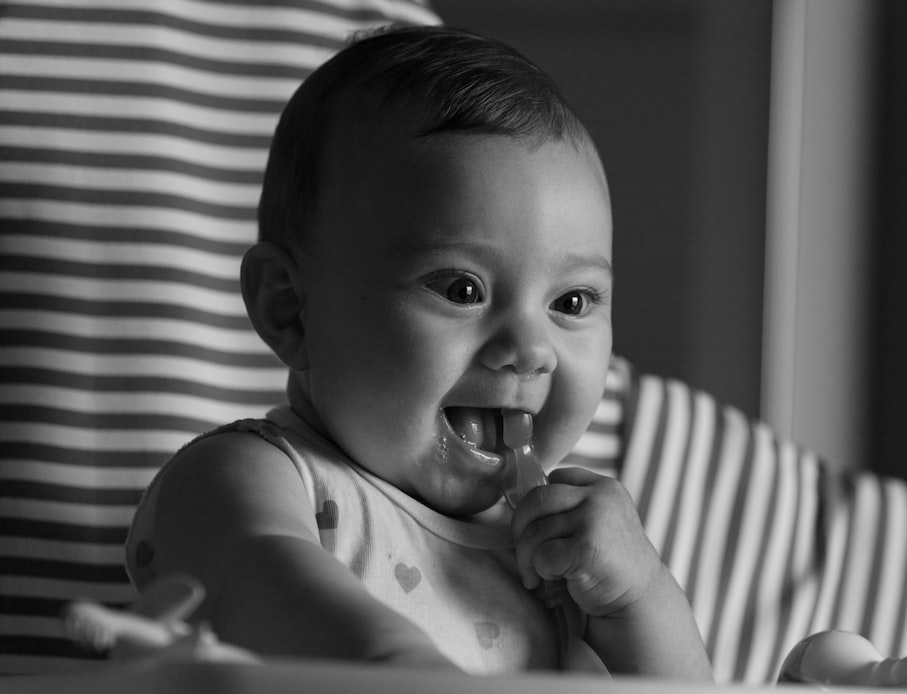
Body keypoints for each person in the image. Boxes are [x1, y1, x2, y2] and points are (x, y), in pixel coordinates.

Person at [125, 25, 712, 679]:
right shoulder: (250, 477)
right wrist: (399, 668)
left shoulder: (550, 555)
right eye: (462, 289)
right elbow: (256, 581)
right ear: (289, 308)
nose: (529, 349)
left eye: (570, 303)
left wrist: (636, 597)